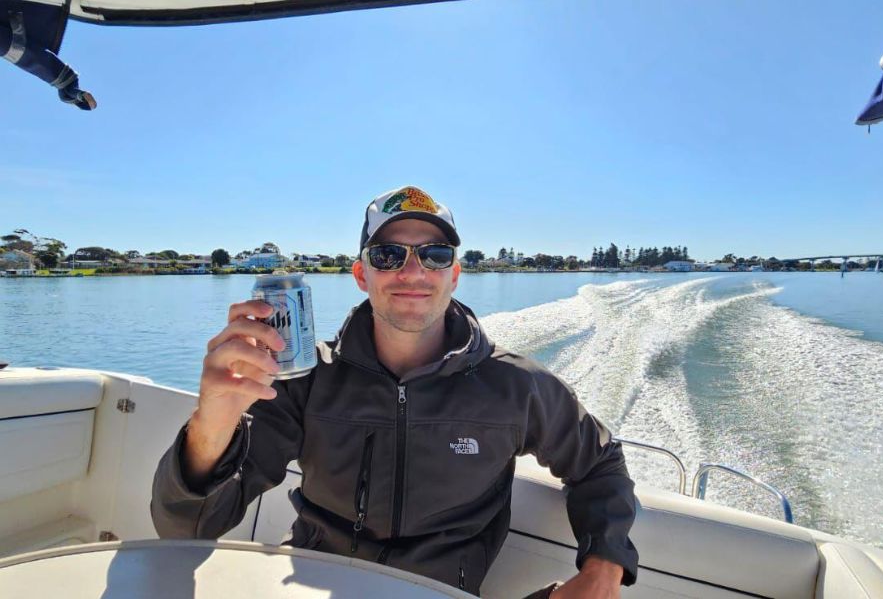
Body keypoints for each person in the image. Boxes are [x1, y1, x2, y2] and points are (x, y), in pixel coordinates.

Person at [151, 186, 639, 597]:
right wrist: (212, 421)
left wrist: (602, 567)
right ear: (362, 275)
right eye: (388, 255)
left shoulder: (515, 386)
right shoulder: (305, 380)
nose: (412, 271)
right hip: (314, 588)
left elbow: (600, 462)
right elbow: (186, 530)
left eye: (435, 254)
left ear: (454, 273)